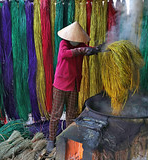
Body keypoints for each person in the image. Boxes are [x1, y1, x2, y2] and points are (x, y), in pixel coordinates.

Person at [46, 21, 101, 152]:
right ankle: (51, 139)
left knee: (71, 115)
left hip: (74, 85)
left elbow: (87, 48)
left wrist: (97, 49)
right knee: (56, 115)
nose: (77, 42)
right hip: (60, 85)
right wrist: (82, 50)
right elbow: (66, 54)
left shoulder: (81, 44)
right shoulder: (63, 45)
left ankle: (68, 137)